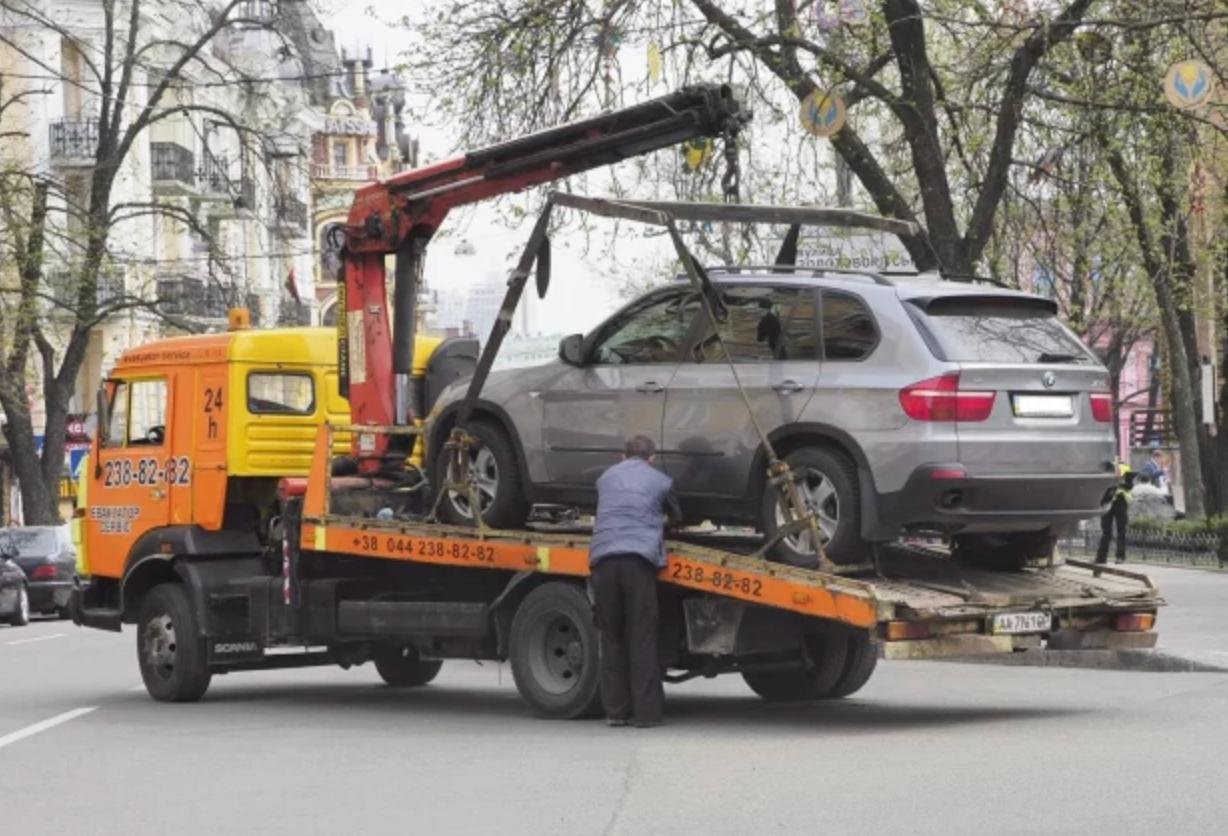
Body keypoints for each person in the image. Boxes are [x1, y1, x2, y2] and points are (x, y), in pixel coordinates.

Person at [589, 435, 682, 728]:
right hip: (637, 562)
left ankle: (616, 713)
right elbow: (677, 515)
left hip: (603, 562)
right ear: (651, 458)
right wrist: (660, 521)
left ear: (622, 456)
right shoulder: (660, 481)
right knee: (641, 638)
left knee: (612, 637)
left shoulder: (605, 478)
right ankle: (646, 715)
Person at [1096, 464, 1135, 565]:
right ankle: (1101, 558)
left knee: (1121, 530)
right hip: (1107, 501)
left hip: (1121, 502)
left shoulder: (1124, 467)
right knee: (1106, 532)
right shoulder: (1106, 465)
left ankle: (1120, 557)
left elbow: (1130, 485)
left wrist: (1119, 482)